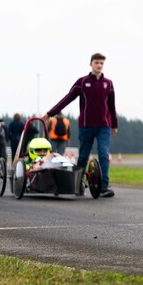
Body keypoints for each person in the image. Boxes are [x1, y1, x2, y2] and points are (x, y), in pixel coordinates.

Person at [44, 52, 118, 198]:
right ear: (91, 64)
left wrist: (114, 124)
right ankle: (78, 184)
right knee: (83, 156)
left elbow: (111, 106)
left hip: (104, 126)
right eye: (96, 63)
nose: (99, 65)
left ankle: (104, 186)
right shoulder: (82, 82)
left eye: (101, 63)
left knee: (104, 154)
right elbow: (67, 99)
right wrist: (50, 113)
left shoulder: (108, 84)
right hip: (86, 126)